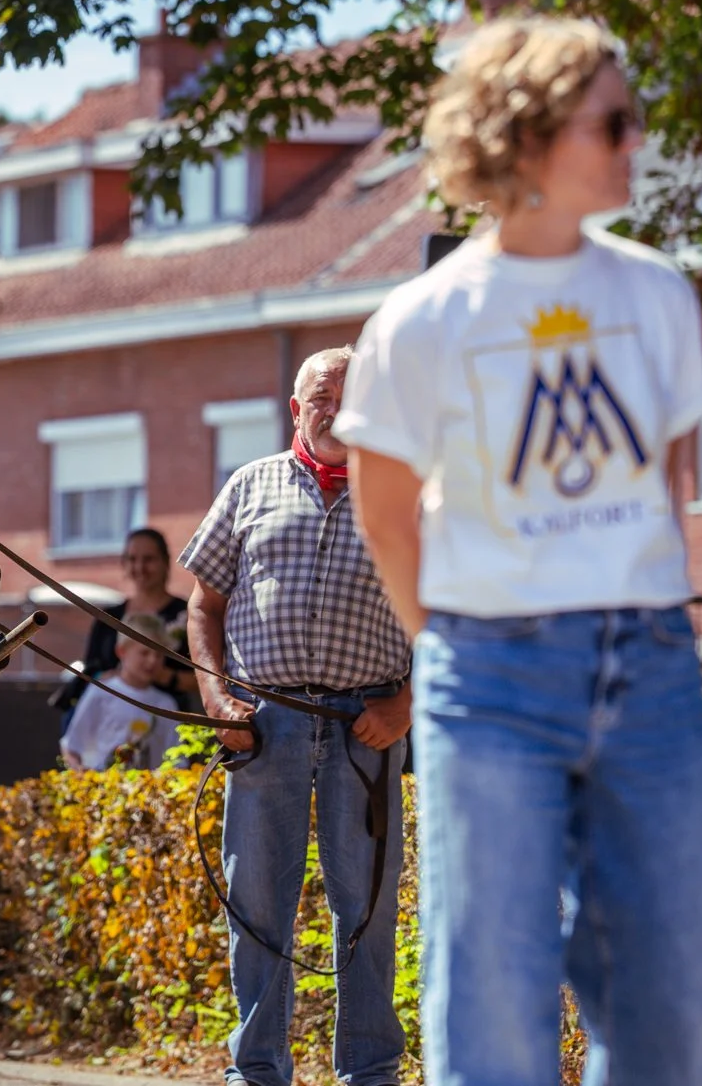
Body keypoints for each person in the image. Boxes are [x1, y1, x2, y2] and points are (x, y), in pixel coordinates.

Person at [336, 15, 702, 1086]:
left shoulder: (654, 291)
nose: (633, 138)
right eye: (612, 119)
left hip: (646, 664)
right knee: (493, 1002)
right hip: (490, 675)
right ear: (526, 134)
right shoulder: (421, 321)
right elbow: (383, 513)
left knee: (682, 999)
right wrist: (454, 646)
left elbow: (664, 482)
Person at [179, 350, 413, 1086]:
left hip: (363, 729)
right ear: (295, 406)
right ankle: (257, 1072)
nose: (337, 408)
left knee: (368, 912)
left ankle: (370, 1073)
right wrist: (218, 701)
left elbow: (445, 618)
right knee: (256, 909)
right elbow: (203, 605)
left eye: (353, 396)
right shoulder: (250, 485)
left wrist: (403, 704)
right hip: (263, 726)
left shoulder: (404, 498)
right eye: (323, 395)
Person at [48, 527, 199, 721]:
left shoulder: (186, 615)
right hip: (112, 718)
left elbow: (208, 675)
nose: (140, 567)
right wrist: (113, 676)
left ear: (165, 562)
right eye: (132, 559)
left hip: (166, 719)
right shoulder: (109, 617)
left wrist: (164, 675)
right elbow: (91, 666)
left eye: (149, 559)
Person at [60, 614, 184, 770]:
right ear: (122, 651)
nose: (152, 661)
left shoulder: (166, 703)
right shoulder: (101, 692)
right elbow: (71, 745)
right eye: (144, 653)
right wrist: (79, 771)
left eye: (159, 654)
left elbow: (178, 759)